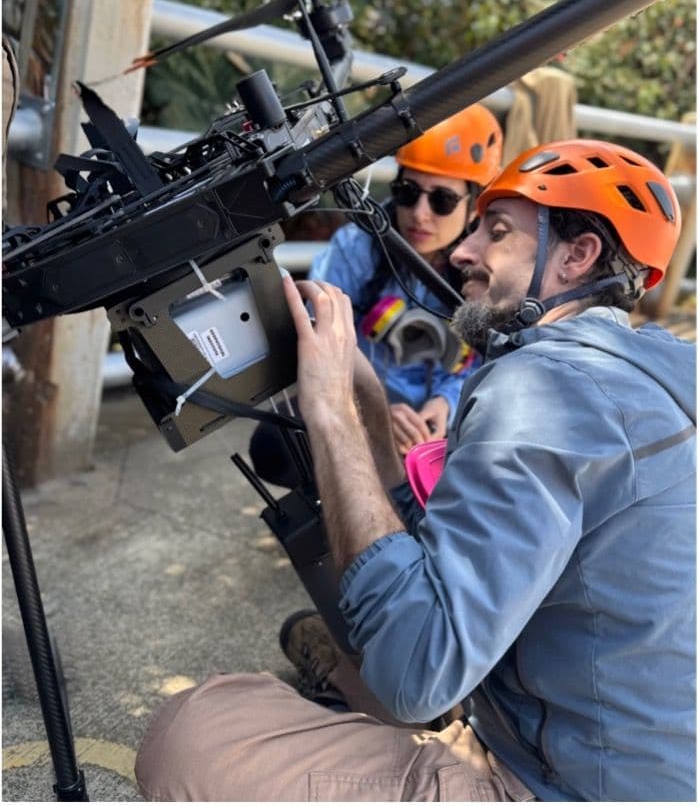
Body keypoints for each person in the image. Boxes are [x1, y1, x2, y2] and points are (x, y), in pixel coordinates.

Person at [135, 139, 695, 802]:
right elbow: (477, 555)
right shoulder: (660, 372)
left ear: (576, 256)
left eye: (496, 231)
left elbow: (416, 671)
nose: (462, 250)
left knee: (191, 732)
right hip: (632, 751)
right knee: (363, 660)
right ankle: (361, 691)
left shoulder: (544, 392)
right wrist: (370, 407)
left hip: (556, 783)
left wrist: (331, 416)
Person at [249, 102, 503, 487]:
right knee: (273, 447)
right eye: (407, 192)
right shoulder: (358, 246)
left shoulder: (486, 272)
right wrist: (374, 409)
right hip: (357, 409)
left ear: (473, 208)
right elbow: (317, 335)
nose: (419, 214)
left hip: (433, 432)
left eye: (442, 201)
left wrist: (447, 405)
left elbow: (481, 363)